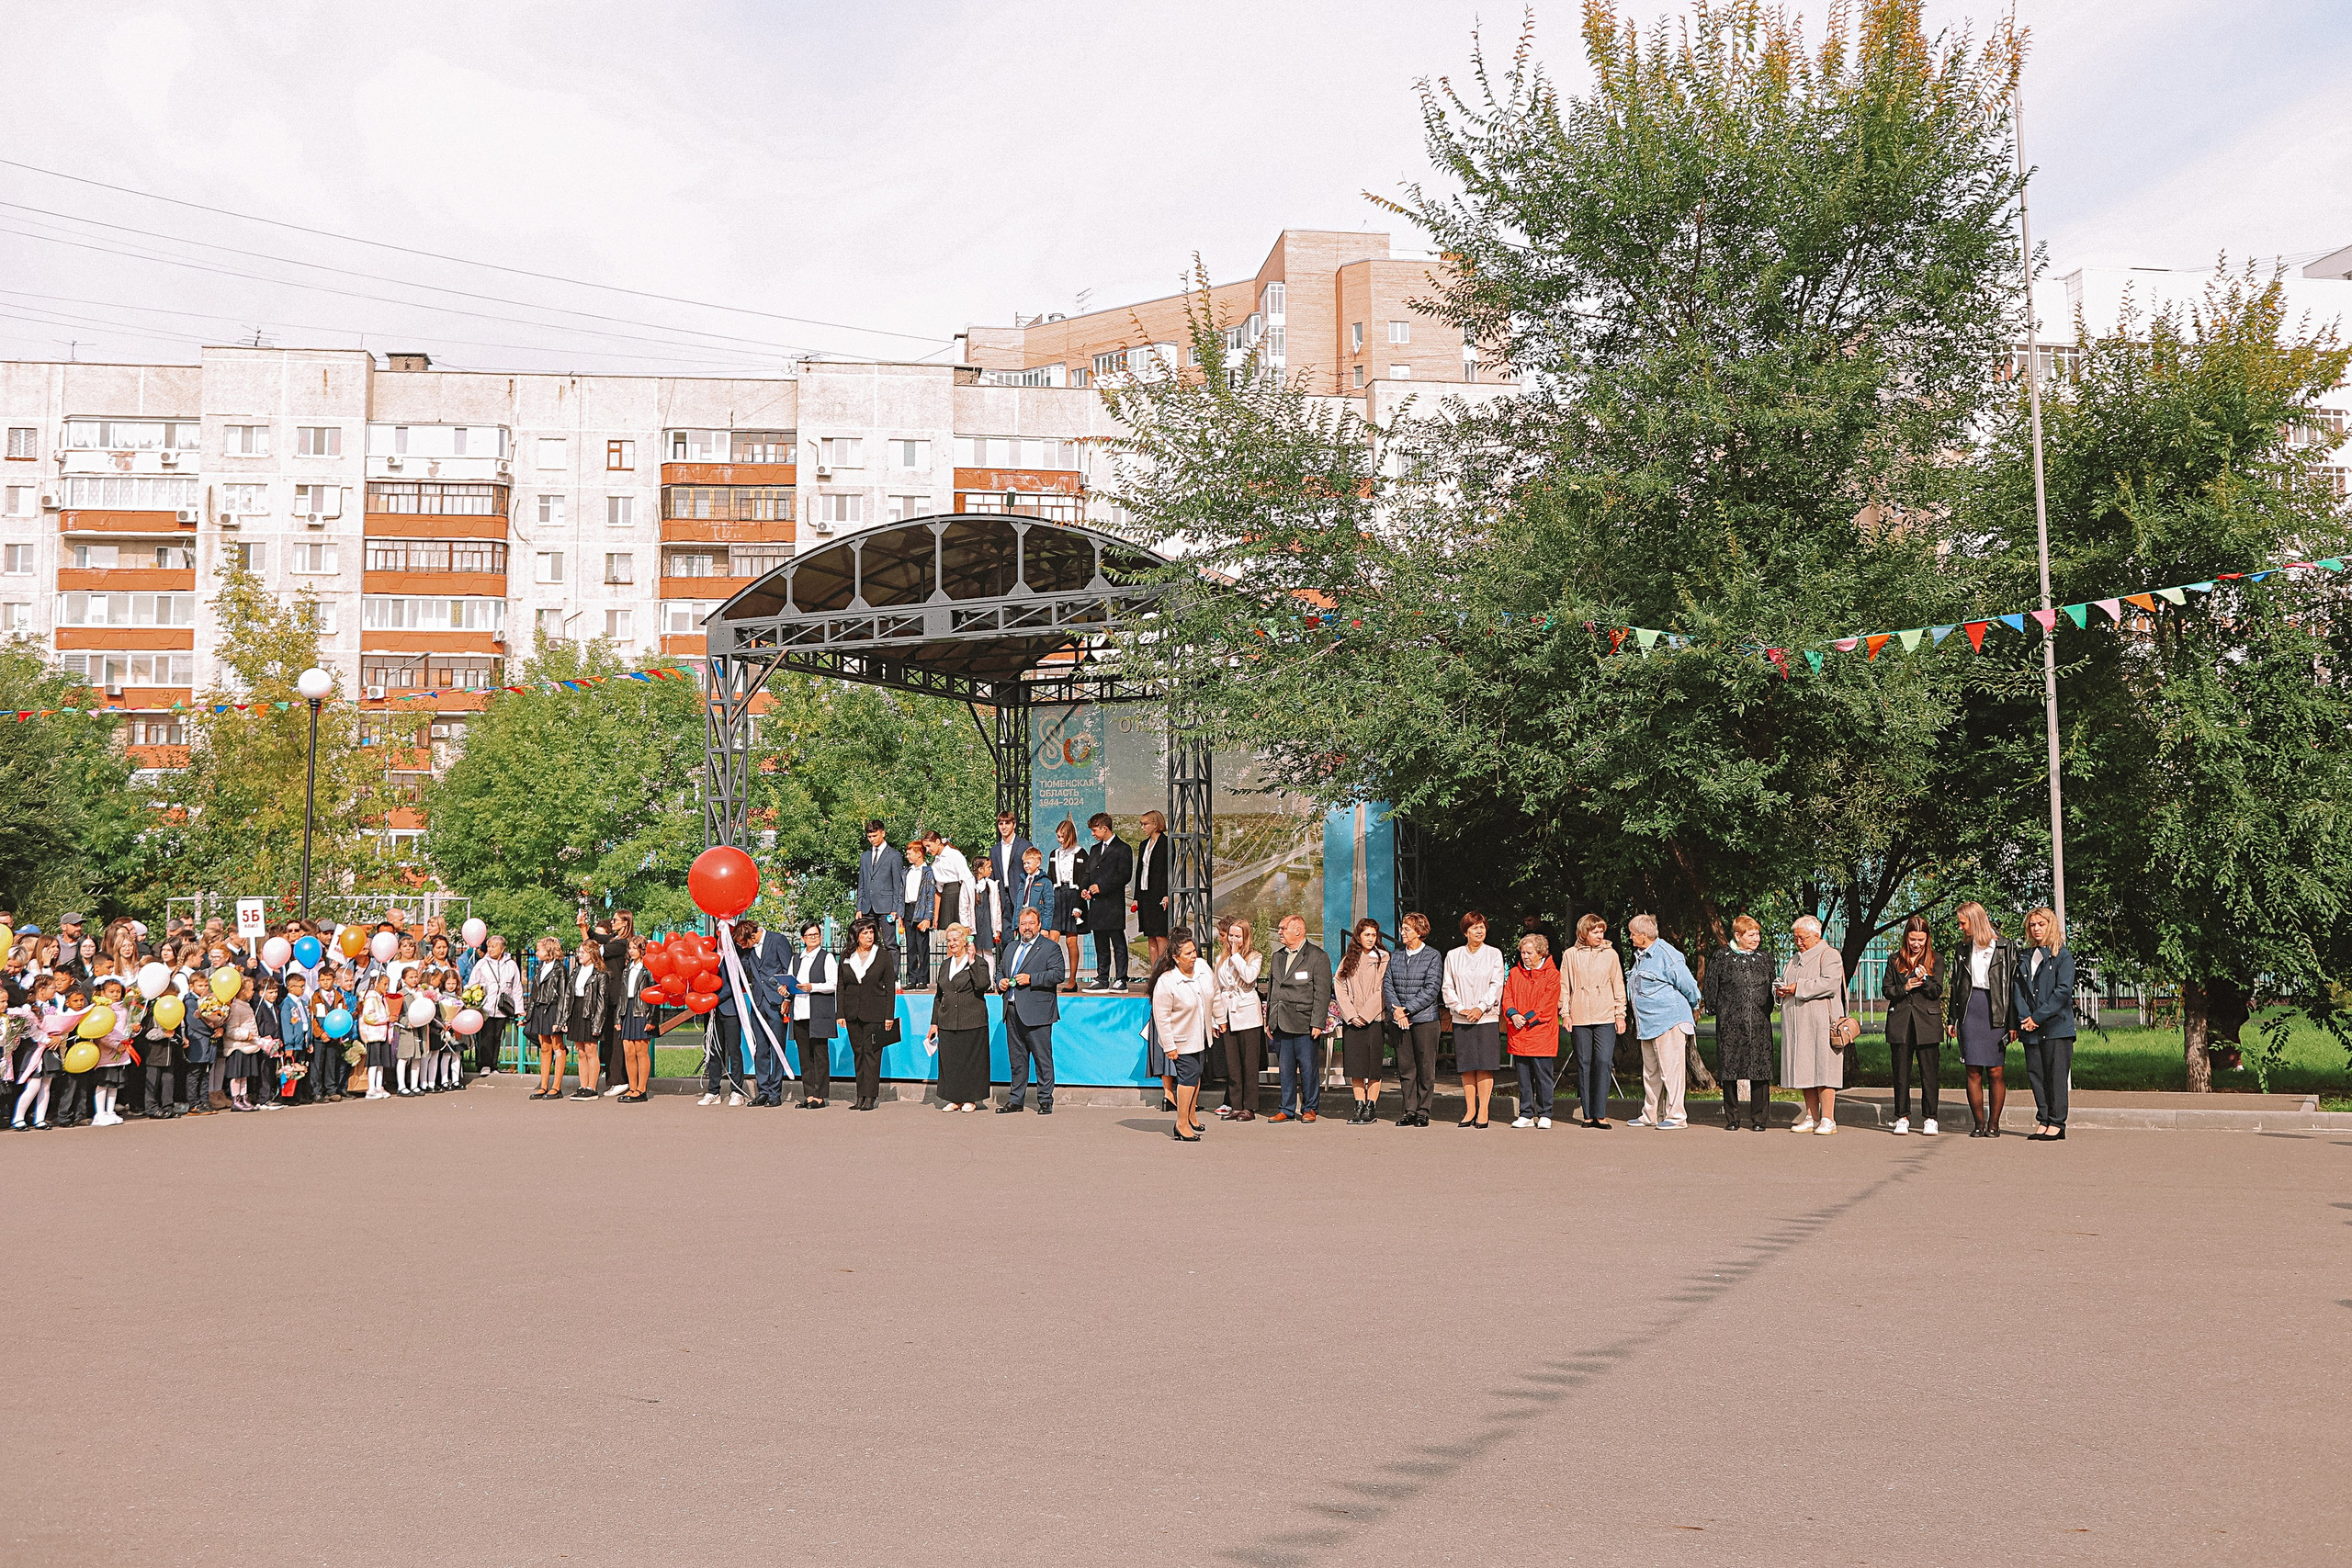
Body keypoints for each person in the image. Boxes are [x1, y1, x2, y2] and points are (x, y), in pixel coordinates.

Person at [1945, 901, 2020, 1138]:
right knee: (1972, 1070)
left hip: (1996, 1008)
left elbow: (2012, 986)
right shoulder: (1962, 949)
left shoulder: (2004, 946)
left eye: (1963, 923)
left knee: (1996, 1070)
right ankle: (1979, 1123)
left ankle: (1994, 1123)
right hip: (1970, 1008)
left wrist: (2013, 1022)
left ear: (1975, 921)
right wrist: (1952, 1018)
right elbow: (1956, 985)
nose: (1960, 927)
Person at [1625, 915, 1702, 1132]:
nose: (1630, 937)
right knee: (1650, 1071)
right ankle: (1651, 1114)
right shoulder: (1642, 956)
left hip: (1669, 1019)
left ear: (1644, 935)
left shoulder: (1667, 954)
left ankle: (1676, 1116)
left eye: (1632, 933)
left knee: (1671, 1070)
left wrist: (1695, 1005)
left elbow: (1688, 984)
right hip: (1647, 1023)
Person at [1702, 915, 1777, 1131]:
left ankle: (1759, 1119)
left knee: (1760, 1069)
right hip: (1730, 1023)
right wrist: (1719, 1011)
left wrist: (1766, 1009)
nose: (1757, 939)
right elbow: (1711, 987)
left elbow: (1772, 986)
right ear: (1738, 935)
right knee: (1729, 1069)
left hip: (1759, 1022)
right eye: (1751, 935)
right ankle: (1732, 1118)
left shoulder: (1764, 957)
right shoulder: (1722, 957)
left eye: (1758, 934)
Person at [1775, 915, 1846, 1134]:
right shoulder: (1794, 959)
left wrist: (1798, 988)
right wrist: (1780, 989)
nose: (1798, 942)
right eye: (1795, 938)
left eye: (1802, 937)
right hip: (1798, 1022)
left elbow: (1829, 984)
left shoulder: (1830, 955)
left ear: (1817, 935)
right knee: (1805, 1068)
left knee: (1825, 1069)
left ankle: (1828, 1118)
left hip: (1822, 1022)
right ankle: (1810, 1115)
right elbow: (1785, 980)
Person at [1560, 915, 1628, 1129]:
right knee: (1584, 1063)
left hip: (1605, 1015)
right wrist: (1566, 1013)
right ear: (1584, 933)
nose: (1600, 936)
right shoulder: (1570, 955)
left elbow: (1618, 984)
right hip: (1579, 1016)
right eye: (1595, 932)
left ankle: (1601, 1112)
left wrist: (1620, 1014)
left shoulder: (1610, 955)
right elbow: (1565, 986)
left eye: (1602, 931)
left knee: (1603, 1061)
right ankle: (1588, 1114)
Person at [1264, 913, 1333, 1124]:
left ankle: (1310, 1108)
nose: (1279, 932)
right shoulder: (1278, 956)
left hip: (1304, 1023)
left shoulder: (1317, 956)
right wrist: (1269, 1019)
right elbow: (1273, 989)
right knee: (1285, 1069)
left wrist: (1317, 1022)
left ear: (1298, 930)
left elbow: (1322, 993)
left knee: (1308, 1068)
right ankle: (1286, 1108)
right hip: (1281, 1021)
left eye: (1283, 928)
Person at [2016, 907, 2076, 1142]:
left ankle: (2057, 1123)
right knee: (2037, 1075)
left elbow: (2062, 992)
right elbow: (2018, 989)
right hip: (2030, 1028)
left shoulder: (2062, 955)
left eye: (2041, 924)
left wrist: (2038, 1017)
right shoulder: (2025, 956)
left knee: (2056, 1076)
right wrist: (2025, 1017)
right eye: (2032, 925)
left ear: (2050, 925)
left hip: (2055, 1028)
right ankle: (2044, 1119)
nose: (2036, 929)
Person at [996, 907, 1064, 1113]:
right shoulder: (1010, 947)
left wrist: (1032, 979)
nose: (1027, 927)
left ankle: (1045, 1100)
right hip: (1012, 1010)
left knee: (1042, 1059)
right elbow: (1000, 970)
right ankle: (1016, 1100)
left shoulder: (1050, 947)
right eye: (1023, 923)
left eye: (1031, 923)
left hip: (1038, 1013)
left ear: (1039, 925)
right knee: (1017, 1060)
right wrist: (1001, 982)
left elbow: (1058, 974)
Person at [1883, 916, 1945, 1135]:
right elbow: (1887, 990)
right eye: (1912, 939)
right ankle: (1902, 1116)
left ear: (1927, 939)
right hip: (1901, 1022)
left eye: (1920, 939)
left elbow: (1937, 990)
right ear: (1906, 938)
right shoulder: (1894, 960)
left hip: (1927, 1022)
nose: (1916, 944)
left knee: (1929, 1072)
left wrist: (1926, 979)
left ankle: (1930, 1117)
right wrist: (1906, 986)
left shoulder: (1936, 959)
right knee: (1901, 1072)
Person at [1443, 910, 1506, 1129]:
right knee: (1468, 1066)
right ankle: (1470, 1109)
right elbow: (1447, 987)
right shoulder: (1453, 955)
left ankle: (1484, 1110)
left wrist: (1480, 1008)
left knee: (1485, 1065)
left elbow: (1497, 984)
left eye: (1482, 926)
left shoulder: (1494, 954)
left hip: (1486, 1017)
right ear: (1465, 932)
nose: (1480, 931)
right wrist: (1461, 1009)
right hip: (1462, 1018)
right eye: (1474, 927)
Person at [1383, 912, 1443, 1127]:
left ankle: (1423, 1111)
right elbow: (1388, 984)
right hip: (1399, 1019)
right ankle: (1409, 1109)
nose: (1402, 932)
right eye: (1403, 928)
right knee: (1406, 1067)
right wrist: (1397, 1011)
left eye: (1407, 929)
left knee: (1426, 1066)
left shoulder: (1433, 956)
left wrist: (1407, 1010)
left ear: (1419, 932)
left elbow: (1431, 988)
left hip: (1425, 1020)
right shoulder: (1396, 955)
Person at [1150, 932, 1212, 1141]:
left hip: (1199, 1036)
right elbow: (1162, 1017)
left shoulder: (1201, 971)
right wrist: (1169, 1045)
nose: (1194, 956)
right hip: (1181, 1040)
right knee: (1187, 1078)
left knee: (1196, 1074)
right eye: (1188, 953)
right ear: (1176, 957)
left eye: (1194, 951)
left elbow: (1211, 996)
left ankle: (1191, 1115)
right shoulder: (1167, 982)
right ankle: (1181, 1123)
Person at [927, 924, 993, 1112]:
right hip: (948, 1020)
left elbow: (982, 984)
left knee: (971, 1061)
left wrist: (972, 961)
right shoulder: (945, 964)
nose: (952, 943)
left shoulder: (978, 962)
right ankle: (954, 1098)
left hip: (972, 1019)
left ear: (965, 940)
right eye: (949, 940)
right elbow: (939, 996)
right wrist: (934, 1023)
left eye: (955, 939)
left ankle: (970, 1099)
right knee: (951, 1061)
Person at [1332, 917, 1389, 1124]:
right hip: (1352, 1020)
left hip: (1373, 1020)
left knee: (1373, 1066)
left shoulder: (1383, 958)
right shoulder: (1349, 959)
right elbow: (1339, 986)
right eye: (1367, 934)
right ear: (1358, 935)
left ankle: (1371, 1106)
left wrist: (1365, 1015)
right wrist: (1351, 1015)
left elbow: (1382, 990)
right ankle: (1358, 1105)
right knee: (1356, 1066)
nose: (1371, 939)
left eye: (1374, 935)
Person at [837, 917, 898, 1111]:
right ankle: (860, 1095)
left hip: (876, 1012)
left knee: (872, 1054)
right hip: (853, 1012)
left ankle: (870, 1096)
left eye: (871, 932)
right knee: (858, 1054)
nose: (869, 936)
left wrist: (889, 1015)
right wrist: (840, 1013)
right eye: (864, 933)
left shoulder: (883, 955)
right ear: (856, 936)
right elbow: (841, 986)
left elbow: (890, 987)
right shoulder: (847, 955)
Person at [1503, 932, 1563, 1128]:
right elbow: (1507, 997)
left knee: (1543, 1076)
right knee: (1523, 1077)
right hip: (1519, 1033)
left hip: (1541, 1034)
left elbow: (1547, 1005)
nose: (1525, 956)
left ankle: (1545, 1113)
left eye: (1529, 952)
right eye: (1522, 952)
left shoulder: (1553, 975)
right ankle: (1526, 1113)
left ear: (1541, 952)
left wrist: (1526, 1018)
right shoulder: (1514, 973)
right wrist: (1513, 1015)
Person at [1213, 918, 1265, 1122]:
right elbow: (1216, 988)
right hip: (1227, 1011)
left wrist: (1236, 956)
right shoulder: (1220, 958)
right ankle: (1235, 1105)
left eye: (1237, 936)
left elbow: (1249, 977)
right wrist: (1215, 1018)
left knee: (1249, 1063)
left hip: (1247, 1013)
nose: (1233, 939)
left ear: (1245, 938)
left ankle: (1249, 1107)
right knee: (1232, 1063)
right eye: (1231, 935)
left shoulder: (1254, 956)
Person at [786, 921, 840, 1109]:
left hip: (818, 1012)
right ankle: (809, 1094)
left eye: (816, 934)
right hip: (800, 1011)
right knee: (804, 1056)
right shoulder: (796, 959)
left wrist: (812, 987)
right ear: (803, 938)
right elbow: (790, 982)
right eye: (809, 935)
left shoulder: (827, 957)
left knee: (820, 1054)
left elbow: (833, 984)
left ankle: (820, 1095)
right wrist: (784, 989)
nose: (813, 938)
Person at [1080, 813, 1133, 991]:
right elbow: (1088, 873)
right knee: (1100, 943)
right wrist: (1085, 889)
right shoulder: (1094, 850)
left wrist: (1101, 887)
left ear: (1105, 828)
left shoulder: (1123, 848)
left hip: (1113, 904)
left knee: (1117, 942)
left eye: (1095, 830)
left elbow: (1124, 875)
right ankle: (1102, 978)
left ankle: (1121, 979)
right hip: (1096, 905)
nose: (1093, 834)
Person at [471, 934, 523, 1077]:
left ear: (503, 948)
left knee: (497, 1036)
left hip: (503, 1007)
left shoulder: (511, 964)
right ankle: (484, 1064)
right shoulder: (482, 963)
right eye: (489, 946)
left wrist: (520, 1010)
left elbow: (516, 987)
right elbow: (472, 983)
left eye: (494, 946)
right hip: (486, 1007)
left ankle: (494, 1064)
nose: (490, 949)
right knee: (486, 1036)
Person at [563, 939, 608, 1100]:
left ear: (592, 953)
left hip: (591, 1012)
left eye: (582, 952)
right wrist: (565, 1019)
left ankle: (592, 1087)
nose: (579, 955)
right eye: (579, 952)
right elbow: (569, 995)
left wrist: (597, 1023)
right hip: (577, 1010)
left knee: (591, 1050)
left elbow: (602, 1000)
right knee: (580, 1051)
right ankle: (583, 1086)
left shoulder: (600, 974)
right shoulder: (576, 971)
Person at [526, 937, 569, 1101]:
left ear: (549, 950)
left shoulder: (559, 969)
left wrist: (561, 1019)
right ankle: (543, 1085)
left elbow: (564, 994)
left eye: (539, 950)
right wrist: (529, 1016)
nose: (537, 953)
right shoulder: (539, 968)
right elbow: (535, 993)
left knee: (558, 1046)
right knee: (544, 1047)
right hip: (540, 1008)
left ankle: (556, 1086)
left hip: (553, 1009)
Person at [1047, 818, 1086, 990]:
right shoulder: (1054, 854)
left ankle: (1072, 980)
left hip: (1074, 896)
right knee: (1052, 938)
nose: (1060, 840)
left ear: (1070, 835)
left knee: (1071, 940)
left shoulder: (1081, 853)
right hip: (1057, 896)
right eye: (1058, 837)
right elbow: (1049, 877)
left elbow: (1084, 880)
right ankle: (1051, 976)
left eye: (1062, 836)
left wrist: (1079, 905)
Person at [615, 938, 654, 1102]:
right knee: (628, 1050)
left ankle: (641, 1089)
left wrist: (651, 1018)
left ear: (642, 949)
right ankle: (632, 1087)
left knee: (641, 1051)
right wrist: (618, 1016)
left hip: (642, 1010)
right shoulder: (627, 969)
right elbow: (622, 995)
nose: (631, 951)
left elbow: (653, 994)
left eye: (634, 948)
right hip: (627, 1010)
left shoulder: (648, 970)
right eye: (629, 948)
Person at [854, 820, 901, 960]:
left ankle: (893, 978)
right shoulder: (865, 856)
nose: (872, 839)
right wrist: (859, 907)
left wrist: (895, 909)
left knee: (890, 943)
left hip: (886, 907)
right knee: (869, 943)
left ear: (883, 833)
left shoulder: (894, 855)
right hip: (867, 907)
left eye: (875, 835)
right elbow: (861, 882)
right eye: (869, 837)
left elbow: (897, 885)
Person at [1134, 809, 1172, 972]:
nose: (1143, 827)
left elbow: (1169, 870)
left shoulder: (1166, 843)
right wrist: (1136, 897)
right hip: (1145, 893)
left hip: (1159, 894)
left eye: (1145, 824)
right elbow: (1139, 871)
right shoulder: (1144, 845)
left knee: (1160, 934)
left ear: (1155, 824)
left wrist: (1167, 894)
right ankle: (1154, 973)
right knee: (1149, 934)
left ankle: (1163, 971)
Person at [900, 840, 937, 991]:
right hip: (908, 909)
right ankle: (912, 978)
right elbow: (900, 895)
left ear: (919, 853)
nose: (908, 856)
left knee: (922, 945)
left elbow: (930, 895)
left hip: (920, 909)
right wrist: (900, 916)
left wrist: (928, 917)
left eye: (910, 853)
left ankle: (923, 978)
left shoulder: (927, 872)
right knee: (911, 946)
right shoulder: (906, 872)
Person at [926, 829, 974, 939]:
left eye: (929, 846)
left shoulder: (954, 854)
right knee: (949, 934)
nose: (928, 850)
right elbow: (938, 890)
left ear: (937, 842)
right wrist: (936, 915)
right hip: (946, 896)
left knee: (961, 933)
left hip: (958, 893)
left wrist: (968, 903)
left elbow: (967, 878)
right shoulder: (935, 864)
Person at [988, 813, 1035, 908]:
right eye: (1001, 824)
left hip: (1020, 896)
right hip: (1001, 898)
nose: (1004, 827)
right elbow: (992, 876)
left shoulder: (1025, 846)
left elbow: (1032, 872)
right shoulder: (994, 850)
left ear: (1014, 825)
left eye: (1007, 823)